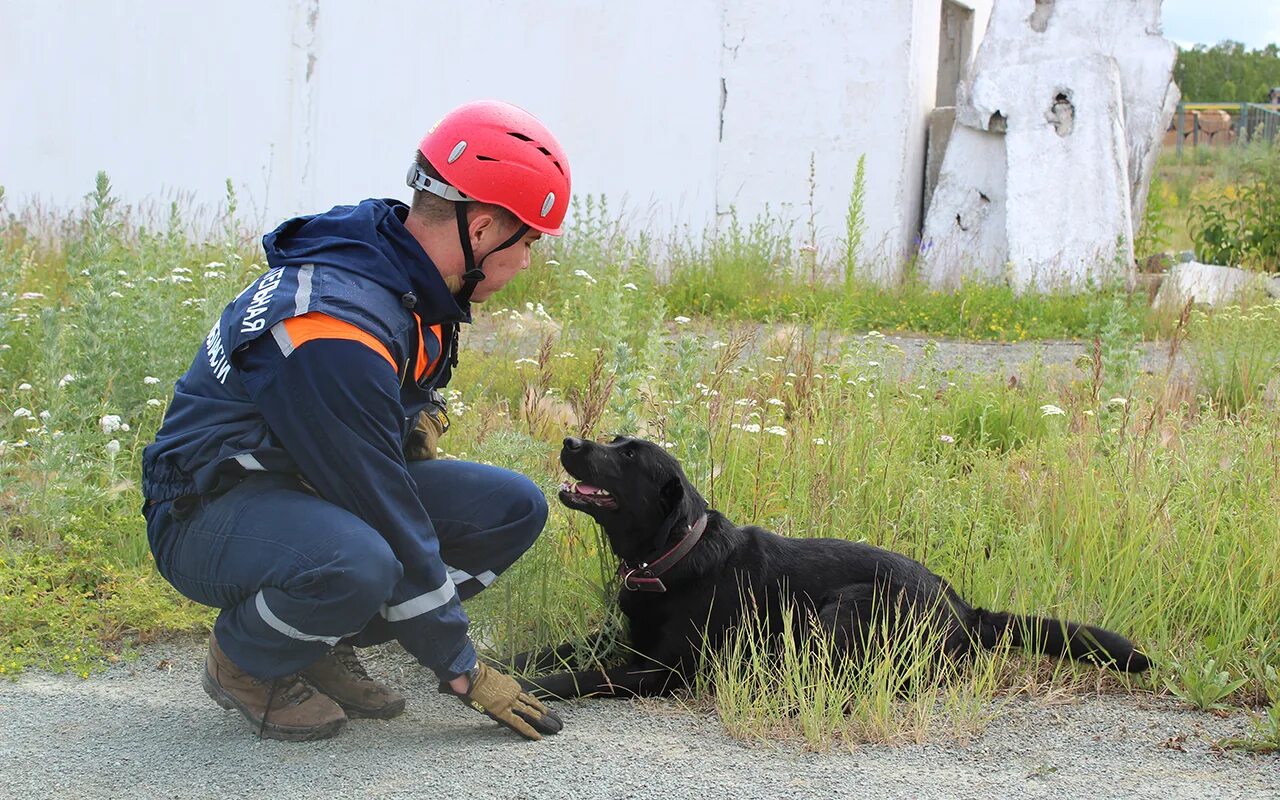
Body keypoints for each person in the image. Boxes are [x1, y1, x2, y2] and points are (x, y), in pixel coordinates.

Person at [141, 100, 570, 742]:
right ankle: (246, 659)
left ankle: (315, 640)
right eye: (528, 242)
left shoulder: (396, 265)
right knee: (363, 559)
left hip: (296, 483)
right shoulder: (332, 330)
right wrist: (460, 666)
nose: (528, 262)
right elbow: (384, 507)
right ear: (480, 231)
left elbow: (391, 408)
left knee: (511, 508)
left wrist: (414, 417)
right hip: (205, 509)